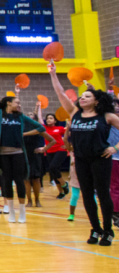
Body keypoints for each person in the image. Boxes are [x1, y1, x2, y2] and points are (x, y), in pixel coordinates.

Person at [48, 62, 115, 246]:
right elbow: (60, 93)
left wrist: (115, 147)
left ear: (97, 101)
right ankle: (95, 229)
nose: (82, 98)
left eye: (87, 96)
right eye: (81, 96)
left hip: (100, 159)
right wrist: (53, 74)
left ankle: (108, 230)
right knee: (86, 195)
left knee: (103, 194)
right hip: (81, 160)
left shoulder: (106, 116)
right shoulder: (74, 112)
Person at [0, 65, 52, 224]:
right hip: (3, 155)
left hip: (18, 154)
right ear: (9, 103)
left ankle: (22, 212)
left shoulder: (20, 117)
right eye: (17, 102)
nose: (19, 104)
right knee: (6, 182)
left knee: (19, 181)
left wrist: (24, 134)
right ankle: (12, 212)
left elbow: (40, 128)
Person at [38, 107, 69, 199]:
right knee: (54, 172)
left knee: (53, 167)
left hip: (60, 150)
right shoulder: (44, 128)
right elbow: (39, 118)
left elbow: (68, 134)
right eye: (47, 118)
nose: (48, 120)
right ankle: (61, 193)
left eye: (51, 118)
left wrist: (67, 145)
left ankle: (64, 184)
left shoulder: (59, 128)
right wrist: (39, 106)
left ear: (55, 120)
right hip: (49, 151)